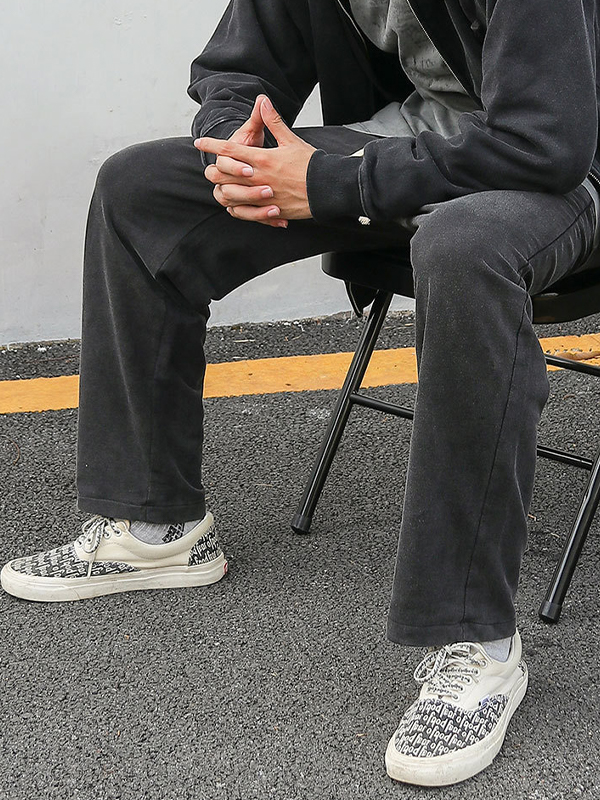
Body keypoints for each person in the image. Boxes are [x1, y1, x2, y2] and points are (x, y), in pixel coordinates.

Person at [2, 0, 600, 787]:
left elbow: (546, 142)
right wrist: (237, 143)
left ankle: (476, 641)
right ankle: (155, 522)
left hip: (565, 172)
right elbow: (239, 62)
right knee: (139, 189)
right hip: (413, 148)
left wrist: (334, 180)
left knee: (463, 248)